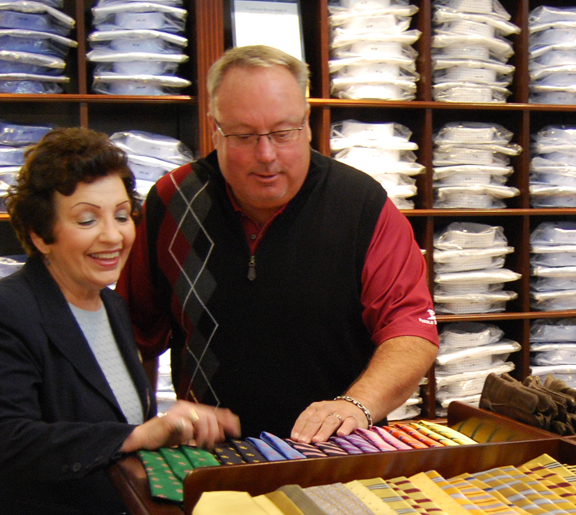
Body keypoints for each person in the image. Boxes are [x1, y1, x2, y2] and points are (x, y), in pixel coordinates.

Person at [116, 45, 438, 444]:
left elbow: (410, 330)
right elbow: (132, 334)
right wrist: (137, 431)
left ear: (307, 123)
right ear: (215, 127)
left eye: (283, 133)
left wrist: (357, 404)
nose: (266, 154)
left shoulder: (362, 207)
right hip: (210, 457)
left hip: (338, 454)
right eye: (244, 136)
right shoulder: (172, 202)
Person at [0, 128, 238, 515]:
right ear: (40, 234)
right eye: (87, 220)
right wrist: (136, 435)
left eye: (122, 216)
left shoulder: (112, 306)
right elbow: (6, 441)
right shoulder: (5, 313)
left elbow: (113, 425)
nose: (113, 236)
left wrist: (166, 429)